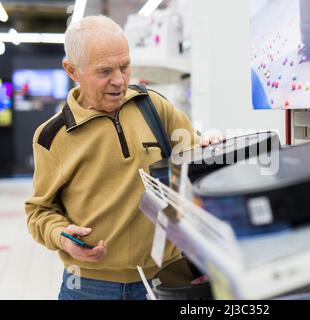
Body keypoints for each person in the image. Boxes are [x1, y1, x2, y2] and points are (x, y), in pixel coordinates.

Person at [24, 15, 219, 300]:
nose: (119, 80)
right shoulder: (53, 137)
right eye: (105, 71)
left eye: (125, 66)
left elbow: (194, 155)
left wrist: (209, 147)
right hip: (90, 286)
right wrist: (61, 235)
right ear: (72, 70)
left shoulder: (153, 106)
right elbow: (38, 212)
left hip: (165, 276)